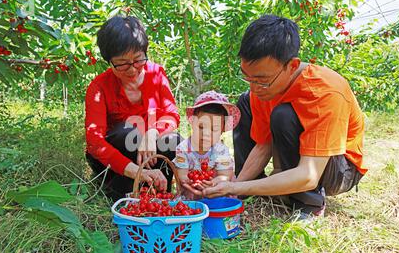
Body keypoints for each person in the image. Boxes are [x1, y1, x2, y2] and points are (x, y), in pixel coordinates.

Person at [203, 15, 367, 220]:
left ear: (292, 66)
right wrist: (235, 186)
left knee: (283, 114)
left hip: (340, 169)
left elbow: (309, 174)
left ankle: (308, 203)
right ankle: (256, 188)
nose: (254, 87)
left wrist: (240, 185)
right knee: (245, 101)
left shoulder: (325, 92)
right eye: (247, 77)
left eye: (261, 80)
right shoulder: (260, 89)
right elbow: (264, 145)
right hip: (305, 161)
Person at [85, 16, 181, 201]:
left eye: (138, 60)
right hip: (119, 162)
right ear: (109, 61)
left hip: (152, 155)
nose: (131, 69)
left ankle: (160, 190)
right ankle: (121, 188)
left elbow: (171, 114)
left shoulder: (156, 74)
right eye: (121, 63)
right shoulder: (99, 87)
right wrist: (137, 172)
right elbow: (94, 142)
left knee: (173, 140)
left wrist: (152, 133)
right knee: (127, 133)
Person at [173, 91, 240, 200]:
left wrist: (213, 182)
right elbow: (182, 175)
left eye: (214, 129)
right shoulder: (183, 149)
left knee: (221, 204)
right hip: (191, 193)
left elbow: (225, 175)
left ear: (222, 130)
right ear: (193, 123)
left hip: (217, 192)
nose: (206, 133)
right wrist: (189, 181)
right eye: (201, 127)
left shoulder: (221, 150)